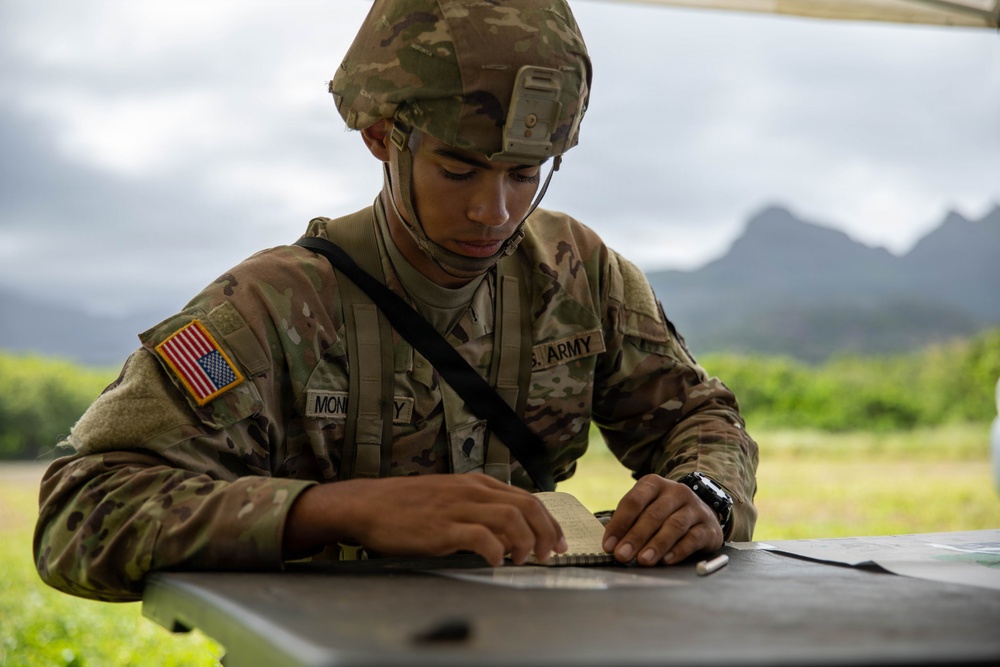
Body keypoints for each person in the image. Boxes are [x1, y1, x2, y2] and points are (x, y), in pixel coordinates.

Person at [34, 0, 758, 603]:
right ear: (382, 137)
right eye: (458, 171)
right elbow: (78, 514)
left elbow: (699, 417)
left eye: (524, 174)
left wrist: (705, 494)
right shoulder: (271, 309)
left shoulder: (578, 275)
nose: (494, 212)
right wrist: (330, 512)